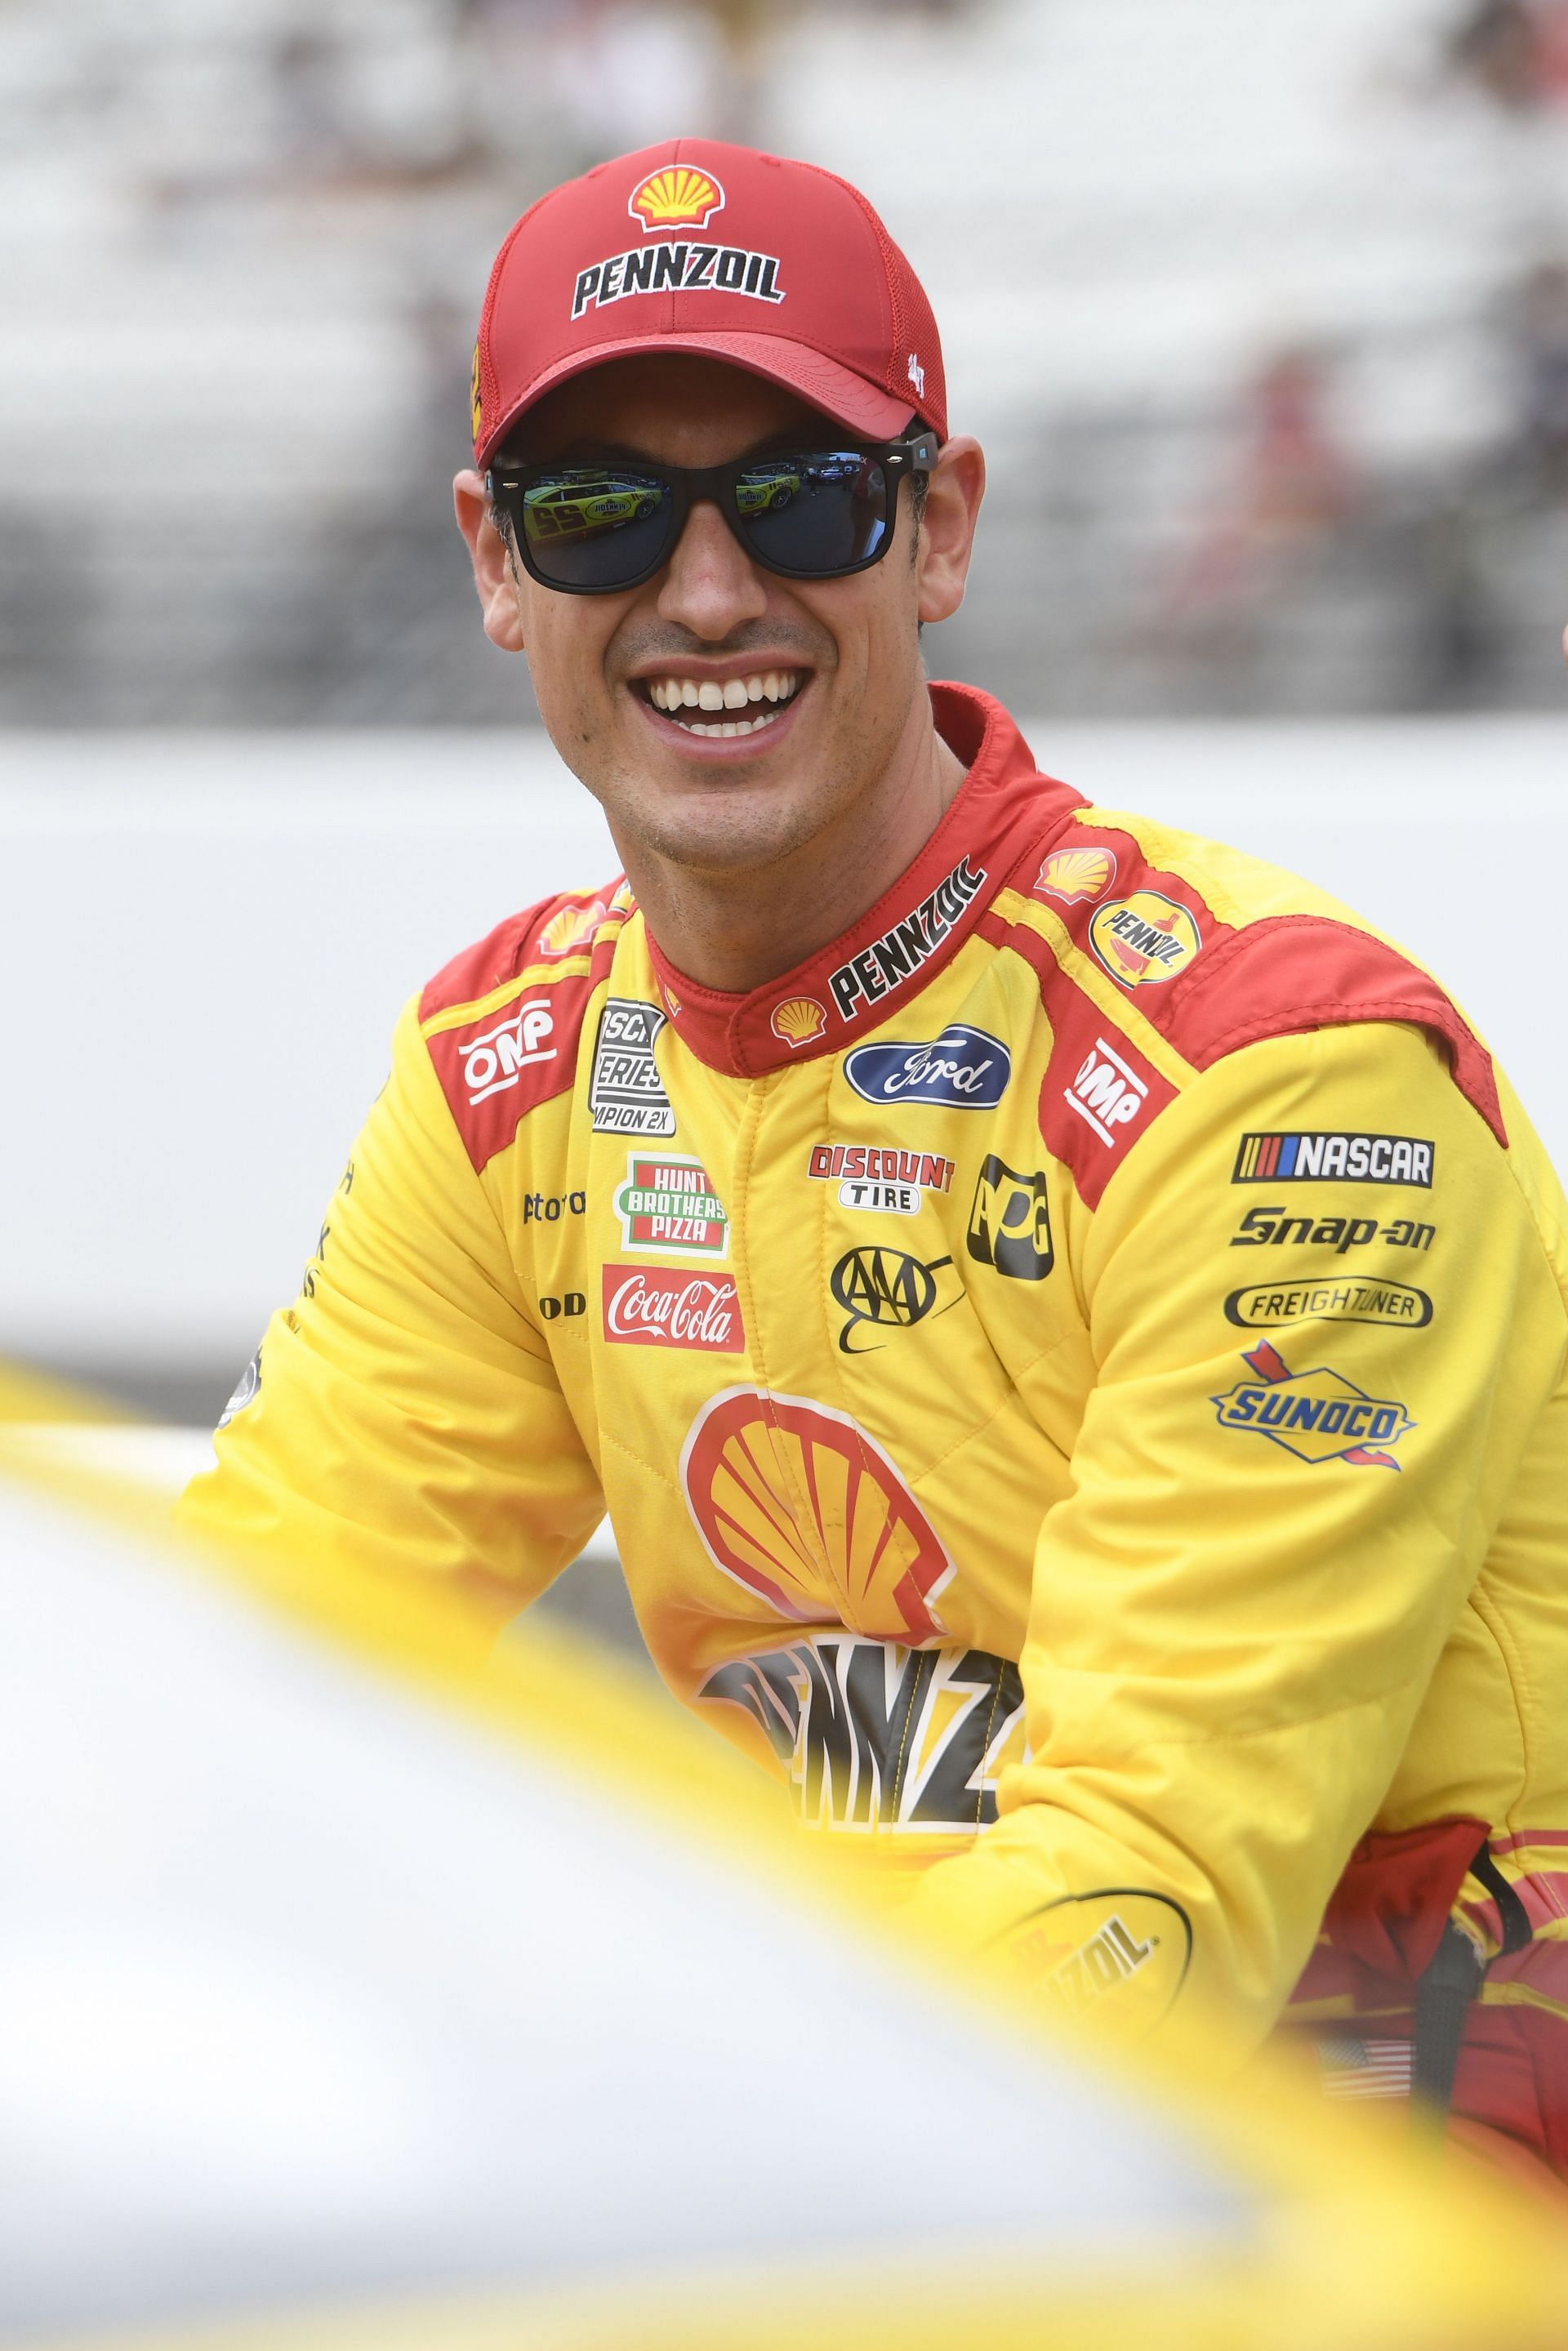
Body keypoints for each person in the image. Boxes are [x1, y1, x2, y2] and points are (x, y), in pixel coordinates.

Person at [180, 138, 1568, 2184]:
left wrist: (640, 2119)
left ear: (940, 528)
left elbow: (1153, 1887)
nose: (709, 592)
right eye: (599, 519)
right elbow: (244, 1675)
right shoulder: (509, 1070)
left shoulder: (1284, 1084)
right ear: (493, 565)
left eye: (804, 496)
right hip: (889, 2128)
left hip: (1389, 2153)